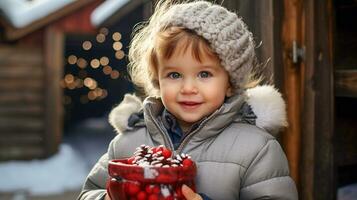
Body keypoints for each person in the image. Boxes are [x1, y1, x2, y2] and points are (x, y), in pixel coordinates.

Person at [78, 0, 298, 199]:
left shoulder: (257, 149)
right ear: (158, 79)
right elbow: (88, 193)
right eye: (174, 75)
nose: (188, 88)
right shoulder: (129, 143)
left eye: (204, 74)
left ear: (230, 82)